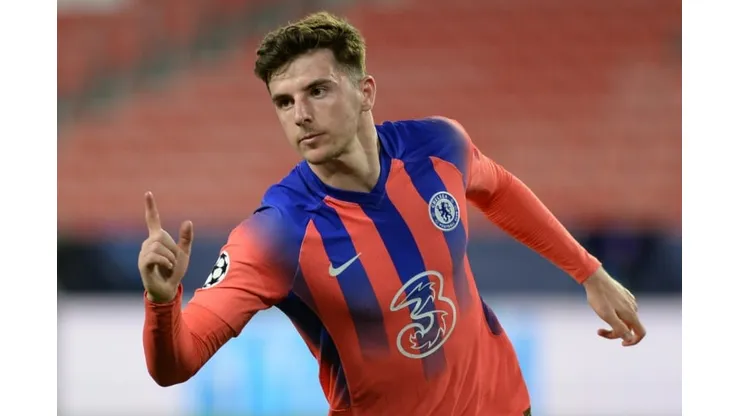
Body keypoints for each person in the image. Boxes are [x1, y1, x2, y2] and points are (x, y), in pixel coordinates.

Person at [138, 11, 646, 416]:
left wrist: (589, 272)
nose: (301, 115)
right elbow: (176, 365)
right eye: (284, 102)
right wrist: (162, 303)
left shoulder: (438, 147)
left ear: (366, 92)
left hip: (504, 405)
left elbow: (499, 189)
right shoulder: (275, 234)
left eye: (318, 90)